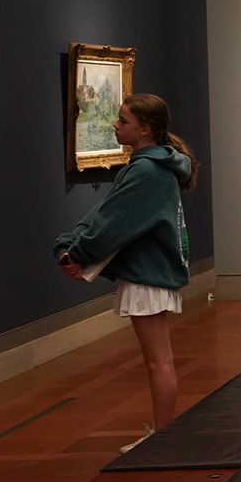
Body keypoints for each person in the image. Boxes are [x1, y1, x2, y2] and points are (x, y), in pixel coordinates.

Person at [54, 93, 198, 442]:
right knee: (158, 361)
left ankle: (161, 437)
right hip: (149, 271)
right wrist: (72, 246)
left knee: (158, 362)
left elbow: (112, 221)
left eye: (123, 121)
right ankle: (162, 434)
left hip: (148, 273)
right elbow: (107, 213)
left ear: (145, 129)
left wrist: (77, 252)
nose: (115, 125)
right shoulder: (148, 166)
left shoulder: (147, 170)